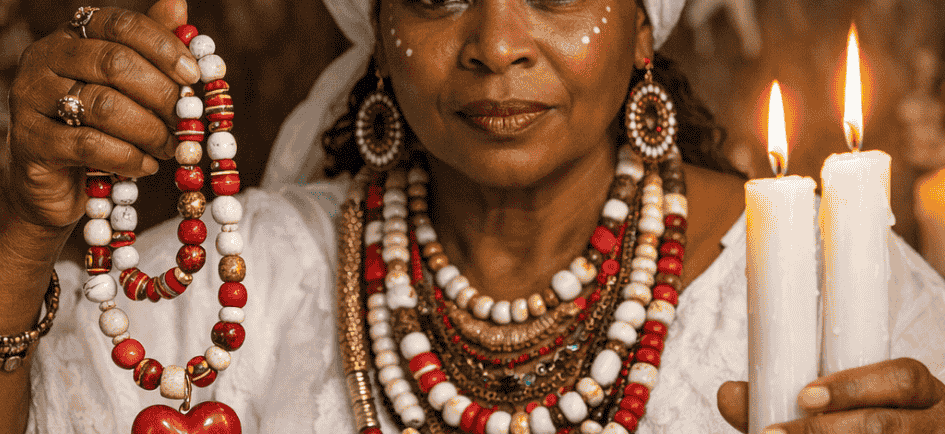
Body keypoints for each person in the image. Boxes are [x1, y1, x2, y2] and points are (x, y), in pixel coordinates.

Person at [1, 0, 943, 432]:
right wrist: (23, 238)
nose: (496, 45)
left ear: (644, 23)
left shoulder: (835, 299)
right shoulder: (211, 295)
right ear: (375, 29)